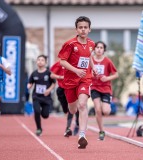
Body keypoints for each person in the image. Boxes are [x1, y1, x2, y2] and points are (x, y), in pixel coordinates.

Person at [58, 16, 97, 149]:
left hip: (85, 79)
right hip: (70, 81)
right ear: (76, 29)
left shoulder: (92, 44)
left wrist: (94, 67)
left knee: (82, 104)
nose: (83, 30)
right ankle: (74, 122)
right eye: (80, 27)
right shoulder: (70, 44)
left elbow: (89, 57)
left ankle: (82, 135)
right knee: (72, 108)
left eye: (85, 27)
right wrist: (75, 70)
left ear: (89, 29)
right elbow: (62, 61)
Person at [90, 41, 118, 140]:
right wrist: (91, 75)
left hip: (106, 88)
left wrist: (107, 78)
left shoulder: (107, 61)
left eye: (101, 48)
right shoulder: (91, 60)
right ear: (94, 49)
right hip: (94, 87)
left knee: (105, 111)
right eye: (97, 47)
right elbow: (85, 73)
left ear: (104, 50)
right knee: (97, 110)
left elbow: (116, 74)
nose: (99, 49)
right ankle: (101, 131)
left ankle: (106, 108)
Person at [27, 55, 56, 136]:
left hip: (46, 98)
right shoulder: (34, 73)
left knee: (45, 115)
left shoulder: (49, 73)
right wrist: (29, 85)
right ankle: (39, 128)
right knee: (37, 111)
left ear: (45, 63)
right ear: (36, 62)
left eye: (42, 60)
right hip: (36, 96)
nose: (40, 61)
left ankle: (43, 116)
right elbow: (30, 82)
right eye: (38, 60)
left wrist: (49, 90)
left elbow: (54, 83)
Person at [50, 60, 80, 137]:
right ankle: (73, 124)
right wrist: (61, 77)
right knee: (66, 110)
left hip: (72, 87)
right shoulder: (60, 63)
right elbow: (52, 75)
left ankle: (70, 127)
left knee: (73, 107)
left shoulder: (75, 62)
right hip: (61, 89)